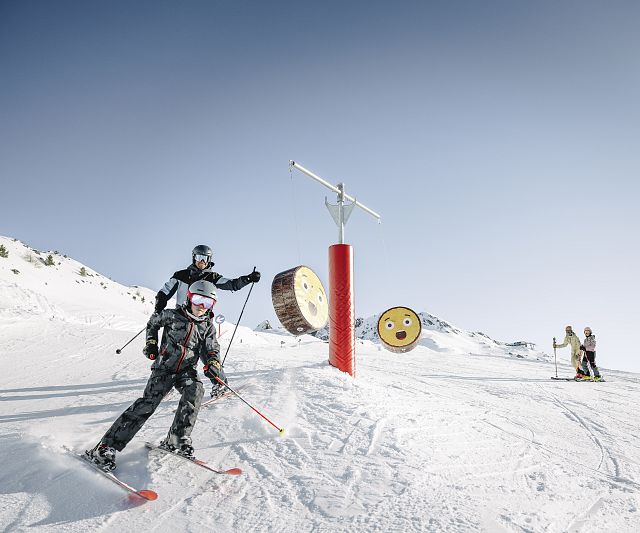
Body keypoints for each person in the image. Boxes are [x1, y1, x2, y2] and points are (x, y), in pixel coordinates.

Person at [86, 280, 225, 471]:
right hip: (164, 368)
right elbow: (152, 323)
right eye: (199, 300)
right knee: (147, 404)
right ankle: (105, 447)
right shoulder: (173, 315)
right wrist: (151, 343)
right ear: (190, 297)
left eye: (208, 303)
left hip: (186, 370)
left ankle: (177, 439)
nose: (202, 307)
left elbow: (212, 350)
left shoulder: (207, 326)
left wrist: (213, 366)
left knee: (195, 390)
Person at [155, 244, 260, 397]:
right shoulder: (180, 275)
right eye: (198, 257)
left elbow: (232, 284)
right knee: (170, 351)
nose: (201, 261)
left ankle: (219, 383)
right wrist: (160, 301)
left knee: (208, 351)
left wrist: (248, 279)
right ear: (193, 257)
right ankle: (166, 383)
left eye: (205, 258)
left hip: (202, 321)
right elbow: (166, 290)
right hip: (179, 319)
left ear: (209, 260)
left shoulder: (212, 277)